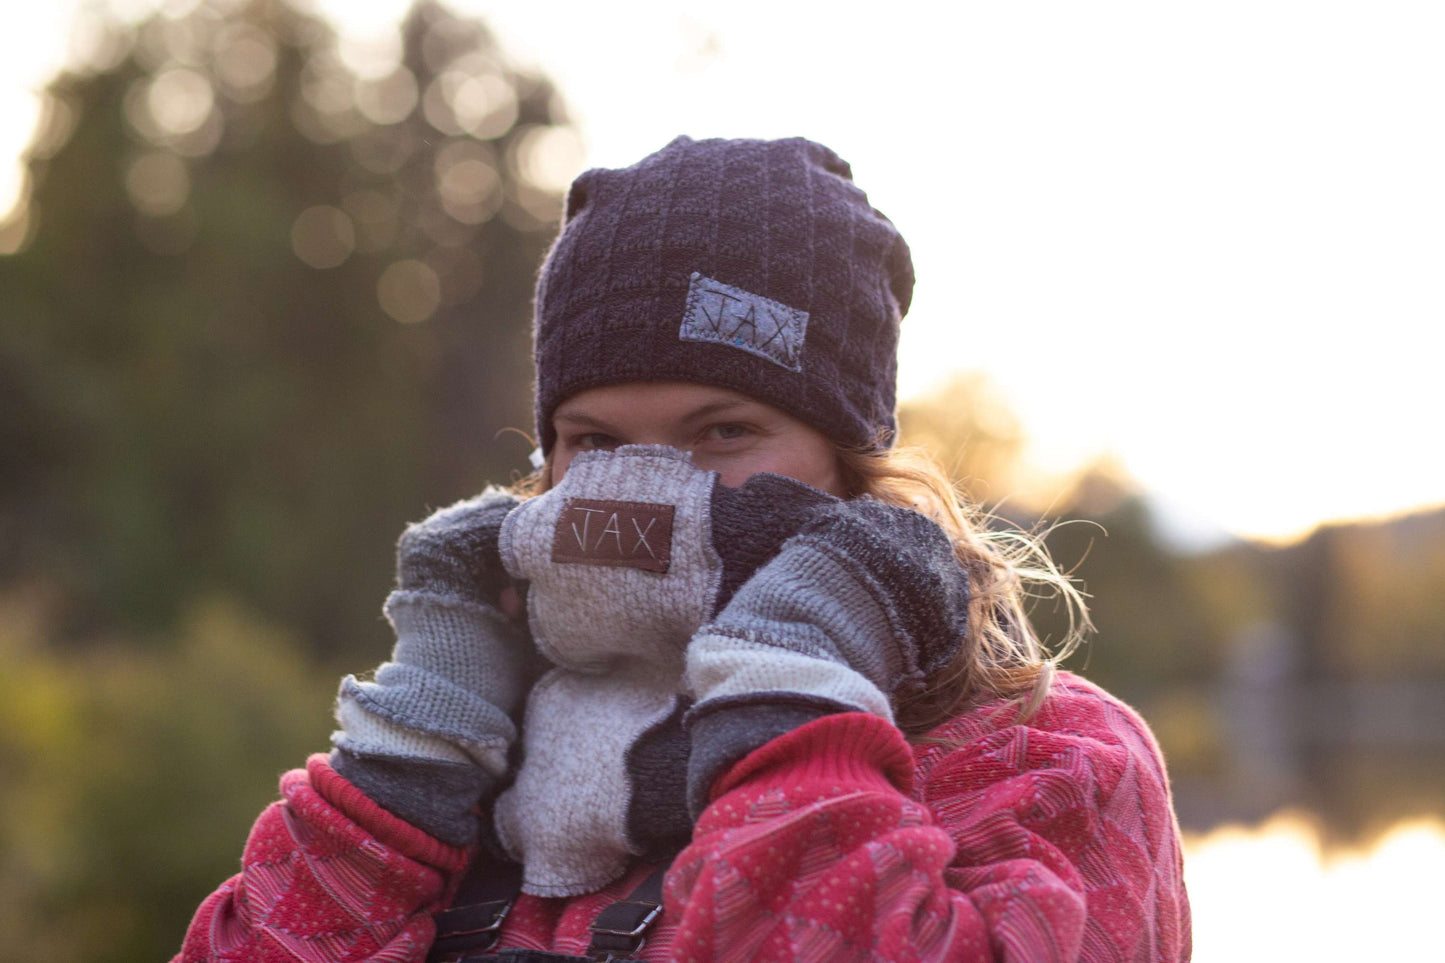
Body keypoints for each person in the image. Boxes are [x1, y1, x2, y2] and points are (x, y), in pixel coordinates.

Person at [174, 136, 1191, 962]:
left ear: (845, 461)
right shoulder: (484, 752)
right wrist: (408, 768)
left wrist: (787, 697)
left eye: (723, 433)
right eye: (598, 443)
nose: (648, 490)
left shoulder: (1042, 758)